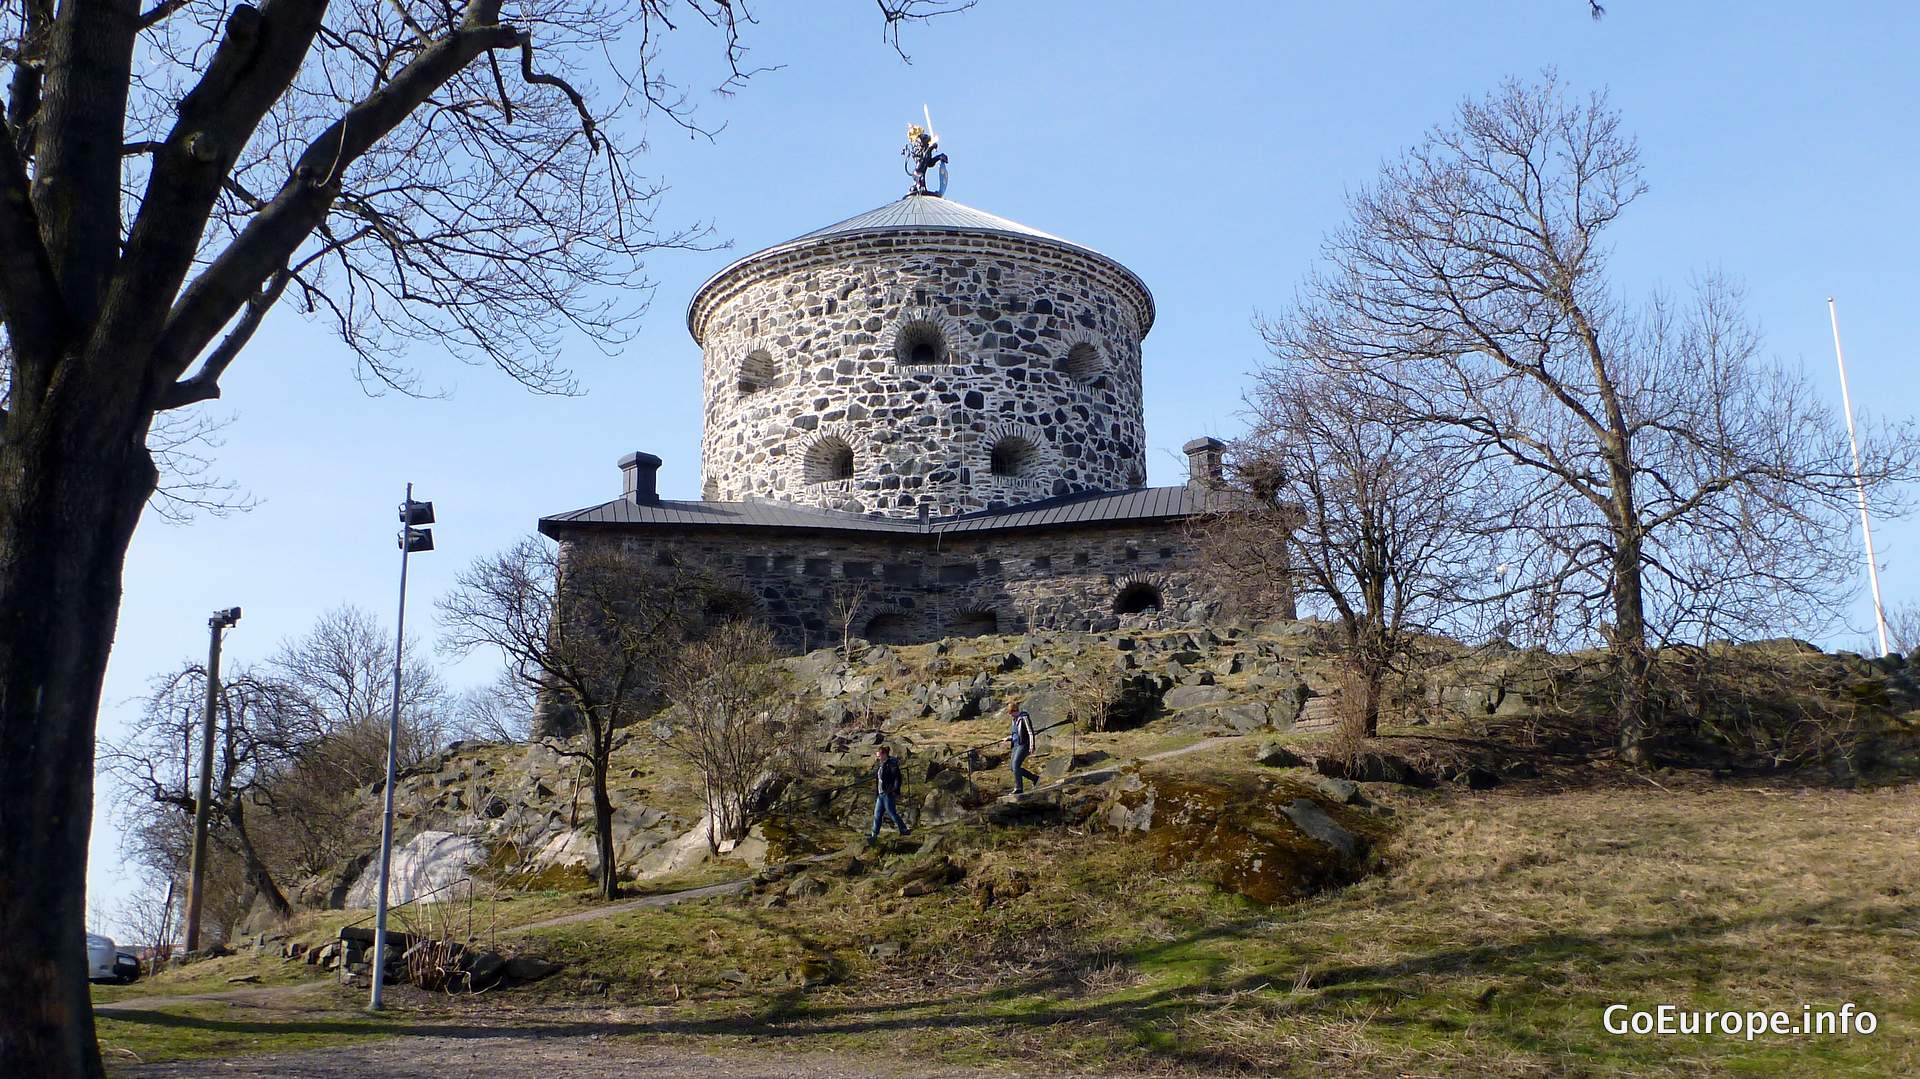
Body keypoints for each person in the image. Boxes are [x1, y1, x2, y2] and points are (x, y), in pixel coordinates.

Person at [869, 745, 910, 840]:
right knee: (877, 814)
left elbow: (897, 778)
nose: (878, 758)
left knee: (892, 813)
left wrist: (893, 790)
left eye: (879, 756)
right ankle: (874, 835)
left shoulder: (891, 764)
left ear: (884, 754)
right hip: (880, 794)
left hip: (887, 794)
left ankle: (903, 829)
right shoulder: (881, 764)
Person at [1007, 700, 1040, 794]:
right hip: (1015, 745)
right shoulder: (1014, 719)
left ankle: (1019, 788)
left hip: (1023, 744)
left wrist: (1032, 745)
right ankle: (1034, 778)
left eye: (1011, 713)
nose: (1010, 715)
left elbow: (1030, 732)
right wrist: (1008, 738)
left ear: (1015, 710)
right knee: (1012, 767)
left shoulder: (1024, 717)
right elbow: (1016, 733)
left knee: (1016, 765)